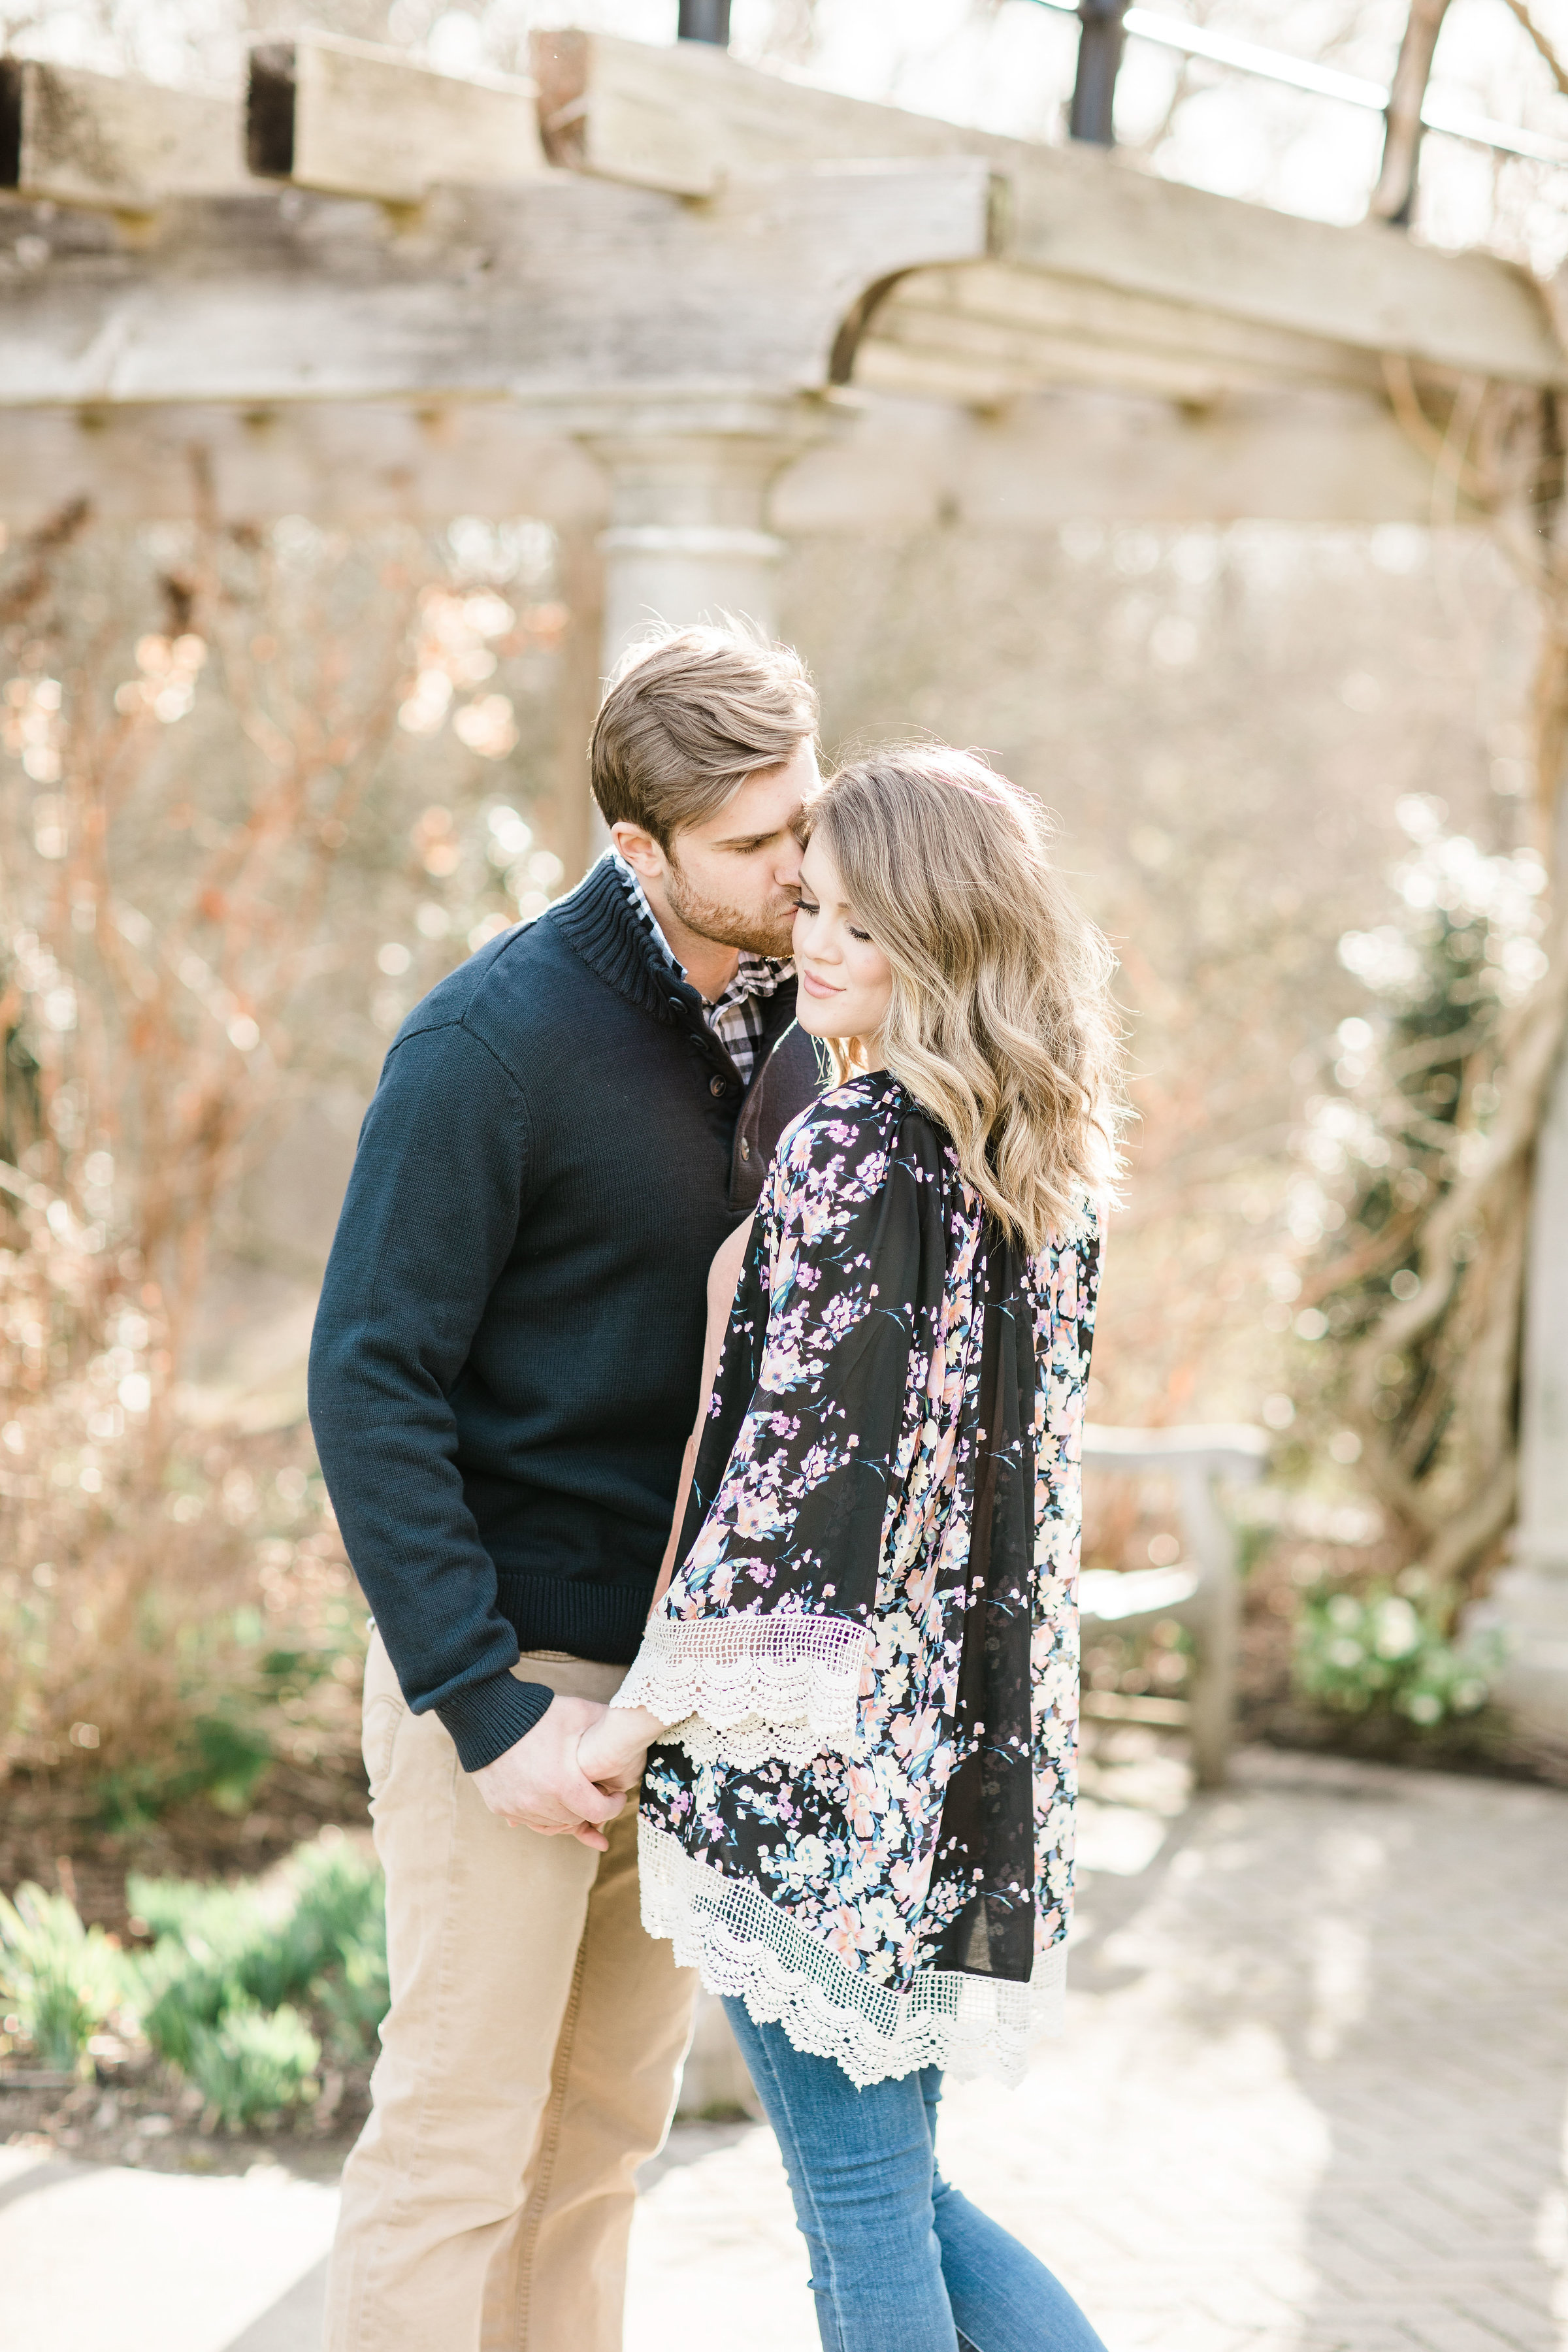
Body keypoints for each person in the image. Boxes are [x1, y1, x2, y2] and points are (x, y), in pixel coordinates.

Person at [308, 623, 825, 2352]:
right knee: (457, 2153)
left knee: (602, 2149)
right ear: (640, 851)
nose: (801, 867)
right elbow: (368, 1376)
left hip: (686, 1690)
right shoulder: (492, 1043)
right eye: (757, 843)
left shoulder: (806, 1034)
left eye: (804, 819)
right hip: (513, 1677)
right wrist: (478, 1701)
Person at [578, 746, 1124, 2352]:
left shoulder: (856, 1143)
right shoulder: (1044, 1166)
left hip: (819, 1769)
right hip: (966, 1760)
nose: (817, 948)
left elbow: (793, 1495)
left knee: (867, 2214)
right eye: (813, 908)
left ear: (946, 946)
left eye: (865, 931)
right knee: (904, 2193)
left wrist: (632, 1718)